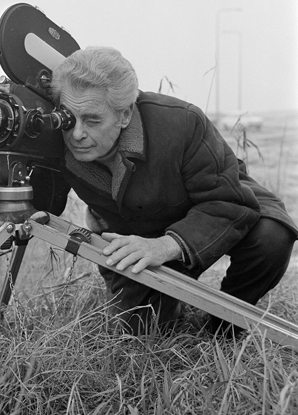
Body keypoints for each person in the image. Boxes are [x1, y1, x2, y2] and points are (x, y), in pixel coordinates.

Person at [29, 46, 297, 335]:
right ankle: (172, 304)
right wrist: (8, 176)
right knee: (142, 331)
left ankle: (225, 326)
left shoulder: (182, 122)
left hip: (223, 204)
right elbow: (41, 207)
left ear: (125, 114)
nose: (77, 134)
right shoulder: (57, 137)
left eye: (93, 120)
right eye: (69, 118)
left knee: (272, 238)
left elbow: (229, 203)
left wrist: (165, 246)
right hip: (139, 237)